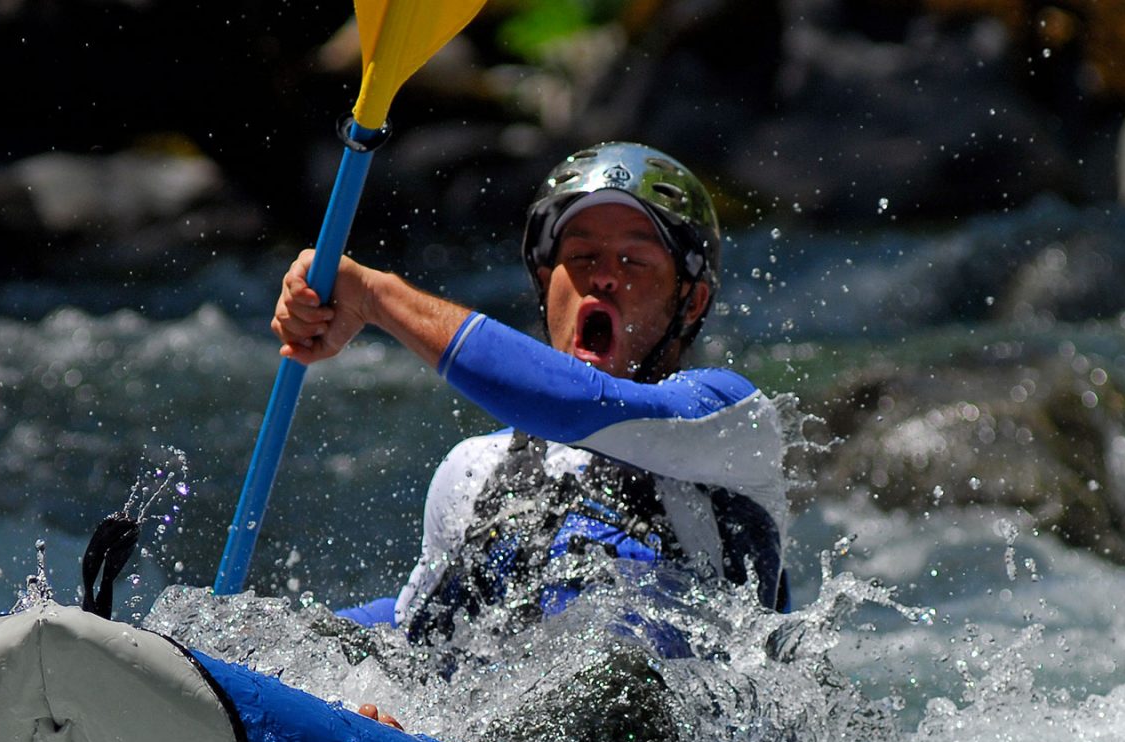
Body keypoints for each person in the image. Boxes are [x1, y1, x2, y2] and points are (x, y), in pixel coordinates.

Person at [270, 142, 791, 651]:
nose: (604, 277)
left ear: (691, 300)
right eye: (582, 255)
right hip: (521, 730)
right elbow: (415, 638)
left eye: (634, 259)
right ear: (547, 283)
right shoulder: (477, 471)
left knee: (620, 672)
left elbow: (581, 405)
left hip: (682, 728)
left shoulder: (732, 423)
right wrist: (279, 656)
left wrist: (376, 296)